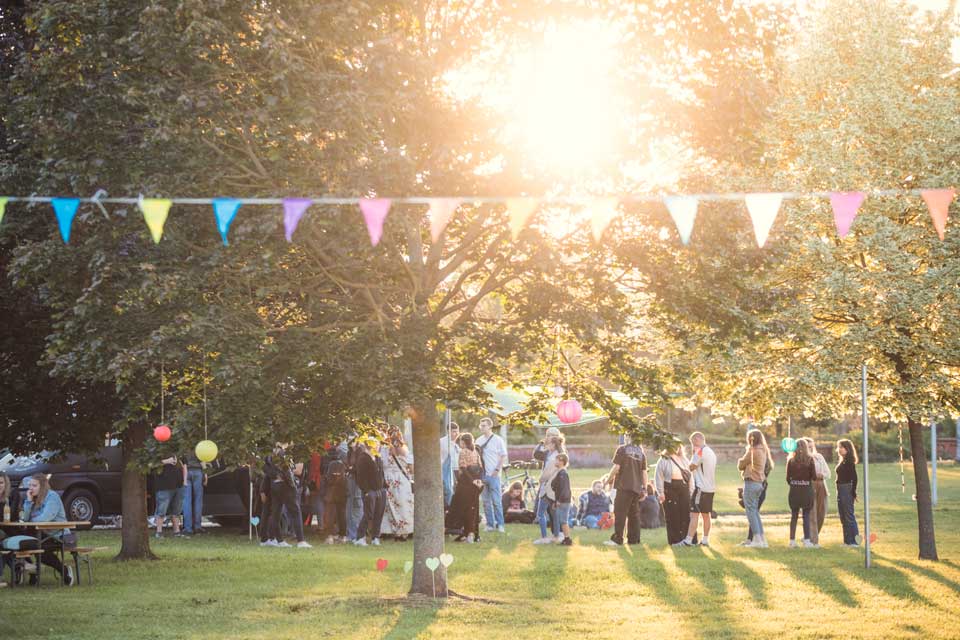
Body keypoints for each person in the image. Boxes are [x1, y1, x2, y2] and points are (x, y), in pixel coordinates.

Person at [21, 474, 75, 585]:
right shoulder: (33, 499)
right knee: (22, 538)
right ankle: (32, 569)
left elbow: (45, 518)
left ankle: (64, 571)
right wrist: (28, 501)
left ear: (43, 486)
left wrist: (31, 520)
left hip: (60, 536)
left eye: (34, 485)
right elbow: (25, 518)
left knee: (40, 549)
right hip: (42, 535)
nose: (30, 488)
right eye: (29, 485)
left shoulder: (52, 497)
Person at [263, 444, 311, 548]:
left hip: (274, 485)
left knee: (276, 513)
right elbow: (290, 470)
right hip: (286, 486)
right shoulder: (285, 454)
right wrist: (292, 484)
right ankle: (301, 541)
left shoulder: (270, 455)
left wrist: (275, 475)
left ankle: (278, 540)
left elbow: (265, 468)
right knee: (295, 512)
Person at [603, 435, 648, 547]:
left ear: (628, 437)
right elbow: (644, 472)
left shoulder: (622, 449)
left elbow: (616, 467)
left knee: (620, 513)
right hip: (636, 488)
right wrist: (645, 488)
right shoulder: (641, 453)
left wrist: (607, 480)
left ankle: (617, 539)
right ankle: (634, 539)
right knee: (634, 515)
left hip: (623, 486)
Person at [738, 429, 773, 548]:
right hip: (759, 483)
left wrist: (742, 461)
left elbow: (741, 465)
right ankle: (762, 539)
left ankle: (757, 539)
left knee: (750, 512)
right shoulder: (763, 450)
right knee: (755, 512)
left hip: (751, 483)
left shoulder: (752, 451)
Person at [447, 433, 484, 542]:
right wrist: (478, 480)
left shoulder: (463, 452)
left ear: (463, 442)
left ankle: (467, 533)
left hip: (466, 484)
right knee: (473, 509)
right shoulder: (476, 452)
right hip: (476, 483)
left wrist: (472, 481)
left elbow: (463, 468)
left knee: (462, 508)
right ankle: (472, 533)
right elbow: (480, 468)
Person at [682, 432, 717, 547]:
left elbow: (691, 467)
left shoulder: (700, 451)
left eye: (692, 442)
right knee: (706, 515)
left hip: (701, 488)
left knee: (694, 514)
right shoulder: (711, 452)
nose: (692, 445)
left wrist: (693, 454)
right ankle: (705, 540)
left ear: (697, 440)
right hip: (710, 488)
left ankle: (688, 540)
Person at [380, 425, 414, 540]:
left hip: (388, 479)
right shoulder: (403, 448)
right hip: (401, 479)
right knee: (403, 505)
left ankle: (388, 530)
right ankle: (403, 531)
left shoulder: (383, 448)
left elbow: (382, 463)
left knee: (389, 506)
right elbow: (411, 467)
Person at [532, 428, 566, 544]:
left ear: (552, 443)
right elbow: (536, 454)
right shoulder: (556, 453)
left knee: (540, 513)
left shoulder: (554, 456)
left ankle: (544, 538)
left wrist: (541, 480)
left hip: (548, 487)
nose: (545, 443)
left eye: (547, 442)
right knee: (553, 512)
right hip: (552, 487)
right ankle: (556, 535)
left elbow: (548, 472)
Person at [476, 417, 508, 533]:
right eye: (481, 425)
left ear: (490, 426)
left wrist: (497, 469)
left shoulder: (498, 440)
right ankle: (490, 524)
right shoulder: (478, 440)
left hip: (494, 474)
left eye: (484, 425)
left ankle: (500, 524)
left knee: (496, 501)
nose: (482, 427)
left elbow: (503, 455)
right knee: (485, 501)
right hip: (482, 475)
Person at [655, 443, 691, 546]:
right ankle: (675, 540)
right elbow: (659, 477)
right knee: (672, 515)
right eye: (673, 445)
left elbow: (690, 477)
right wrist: (661, 492)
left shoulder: (684, 460)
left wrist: (691, 491)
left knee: (686, 514)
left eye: (677, 446)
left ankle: (687, 539)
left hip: (684, 488)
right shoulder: (663, 460)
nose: (676, 448)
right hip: (669, 488)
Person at [354, 436, 387, 547]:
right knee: (368, 514)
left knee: (379, 514)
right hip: (370, 491)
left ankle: (375, 537)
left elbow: (381, 473)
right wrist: (366, 491)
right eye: (376, 444)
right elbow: (360, 477)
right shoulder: (363, 458)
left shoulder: (377, 457)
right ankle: (360, 537)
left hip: (380, 490)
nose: (378, 447)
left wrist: (384, 486)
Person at [786, 438, 817, 548]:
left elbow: (788, 478)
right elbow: (814, 476)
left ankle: (792, 541)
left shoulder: (791, 461)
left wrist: (795, 483)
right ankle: (807, 541)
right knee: (806, 515)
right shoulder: (810, 460)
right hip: (806, 491)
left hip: (794, 491)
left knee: (794, 516)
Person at [803, 437, 830, 546]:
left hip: (821, 486)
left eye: (811, 446)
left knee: (821, 513)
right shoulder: (803, 459)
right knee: (812, 514)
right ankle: (812, 539)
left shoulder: (819, 457)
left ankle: (811, 535)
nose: (810, 449)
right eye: (808, 447)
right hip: (809, 486)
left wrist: (821, 475)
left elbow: (828, 473)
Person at [322, 446, 349, 544]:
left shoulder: (328, 463)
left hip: (331, 492)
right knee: (342, 514)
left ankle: (330, 536)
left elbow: (326, 478)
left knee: (330, 514)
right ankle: (343, 536)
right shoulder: (343, 463)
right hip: (342, 491)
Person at [836, 438, 860, 547]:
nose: (839, 449)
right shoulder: (843, 461)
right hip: (840, 489)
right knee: (843, 516)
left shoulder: (850, 462)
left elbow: (854, 478)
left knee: (849, 516)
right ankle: (847, 541)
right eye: (839, 447)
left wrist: (853, 493)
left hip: (846, 489)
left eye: (841, 447)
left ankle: (855, 541)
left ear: (847, 449)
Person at [153, 456, 184, 538]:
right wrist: (166, 461)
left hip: (179, 485)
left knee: (177, 510)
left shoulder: (177, 450)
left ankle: (177, 532)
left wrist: (184, 481)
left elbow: (183, 464)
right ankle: (158, 532)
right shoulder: (156, 449)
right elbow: (150, 464)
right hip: (163, 486)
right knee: (161, 510)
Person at [181, 450, 206, 536]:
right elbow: (203, 461)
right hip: (198, 471)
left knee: (186, 501)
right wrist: (205, 475)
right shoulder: (199, 446)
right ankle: (197, 527)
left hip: (186, 471)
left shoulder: (183, 445)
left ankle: (188, 528)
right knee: (198, 501)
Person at [343, 440, 364, 541]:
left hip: (358, 481)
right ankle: (351, 533)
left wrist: (351, 469)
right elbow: (348, 466)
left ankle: (357, 534)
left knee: (357, 506)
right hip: (351, 480)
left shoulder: (360, 451)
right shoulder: (349, 452)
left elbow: (358, 467)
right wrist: (350, 469)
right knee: (349, 507)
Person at [551, 454, 574, 545]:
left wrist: (559, 500)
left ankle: (567, 539)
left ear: (561, 461)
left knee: (564, 521)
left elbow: (564, 489)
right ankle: (566, 538)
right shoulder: (560, 472)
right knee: (562, 520)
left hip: (564, 501)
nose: (555, 462)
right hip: (561, 500)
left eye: (557, 460)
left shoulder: (563, 473)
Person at [440, 422, 461, 508]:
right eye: (453, 431)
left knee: (458, 491)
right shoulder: (442, 442)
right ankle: (448, 508)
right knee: (449, 490)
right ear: (448, 431)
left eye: (457, 431)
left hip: (458, 469)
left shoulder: (460, 441)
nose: (455, 434)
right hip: (447, 469)